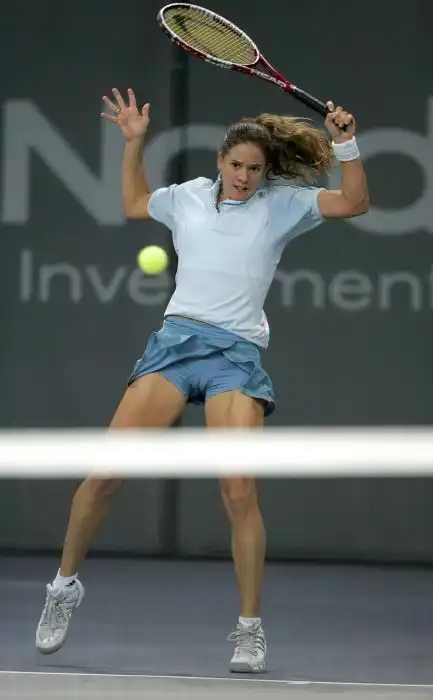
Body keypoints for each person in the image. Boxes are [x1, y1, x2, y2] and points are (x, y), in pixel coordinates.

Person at [35, 87, 369, 673]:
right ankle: (63, 587)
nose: (243, 178)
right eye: (236, 166)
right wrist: (134, 144)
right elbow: (134, 203)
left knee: (238, 491)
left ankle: (250, 630)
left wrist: (347, 146)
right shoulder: (186, 197)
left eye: (254, 170)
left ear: (266, 173)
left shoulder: (284, 204)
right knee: (105, 475)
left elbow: (354, 203)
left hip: (235, 355)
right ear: (220, 161)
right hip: (175, 346)